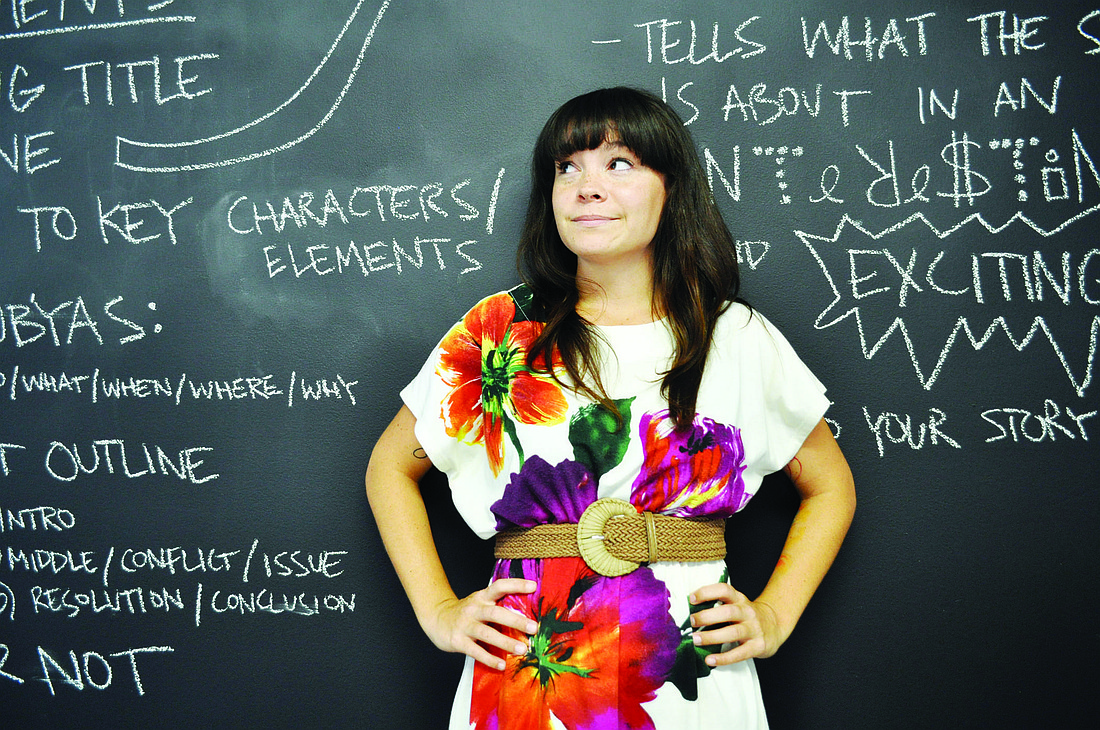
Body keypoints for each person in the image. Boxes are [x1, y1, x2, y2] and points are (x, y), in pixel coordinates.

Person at [365, 86, 855, 729]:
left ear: (672, 189)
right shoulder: (500, 331)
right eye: (567, 167)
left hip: (689, 676)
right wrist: (439, 611)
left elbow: (831, 486)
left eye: (618, 163)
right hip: (529, 672)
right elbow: (389, 468)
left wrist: (774, 614)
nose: (585, 186)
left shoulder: (733, 335)